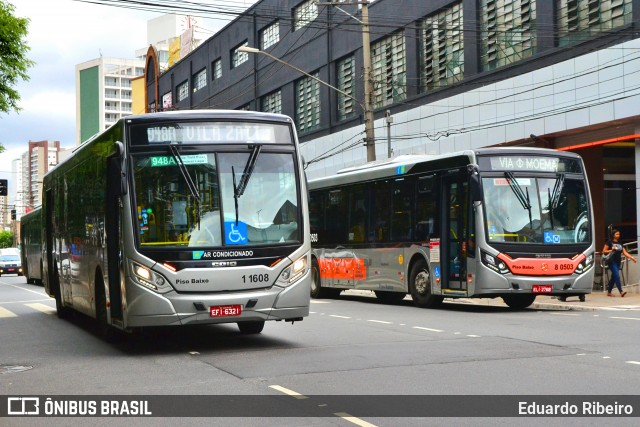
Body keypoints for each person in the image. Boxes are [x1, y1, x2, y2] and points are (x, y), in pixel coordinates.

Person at [602, 229, 637, 297]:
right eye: (617, 234)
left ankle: (609, 292)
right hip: (611, 261)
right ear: (613, 235)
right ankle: (621, 291)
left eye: (619, 234)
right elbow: (604, 251)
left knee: (614, 277)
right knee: (617, 275)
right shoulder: (609, 242)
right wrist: (611, 250)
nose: (618, 235)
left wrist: (632, 258)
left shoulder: (620, 242)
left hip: (618, 261)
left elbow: (625, 252)